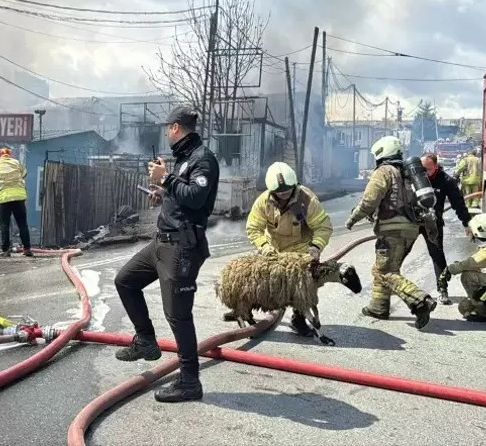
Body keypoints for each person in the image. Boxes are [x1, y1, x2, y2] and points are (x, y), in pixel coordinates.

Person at [113, 106, 219, 403]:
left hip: (182, 247)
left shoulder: (203, 159)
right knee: (125, 281)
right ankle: (146, 341)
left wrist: (167, 179)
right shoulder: (185, 159)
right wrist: (162, 192)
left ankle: (189, 382)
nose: (165, 133)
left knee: (178, 316)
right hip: (162, 243)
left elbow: (197, 198)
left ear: (174, 128)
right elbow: (182, 196)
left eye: (166, 128)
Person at [345, 136, 437, 329]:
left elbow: (369, 201)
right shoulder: (407, 173)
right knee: (382, 269)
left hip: (392, 230)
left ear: (380, 153)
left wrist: (353, 218)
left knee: (386, 272)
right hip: (411, 230)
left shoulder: (384, 172)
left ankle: (420, 301)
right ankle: (378, 307)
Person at [235, 161, 333, 335]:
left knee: (302, 289)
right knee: (263, 285)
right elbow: (253, 228)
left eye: (288, 192)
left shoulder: (307, 200)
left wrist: (316, 247)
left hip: (301, 251)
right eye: (280, 194)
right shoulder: (263, 201)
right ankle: (246, 312)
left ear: (294, 186)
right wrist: (264, 247)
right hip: (273, 250)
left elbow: (323, 227)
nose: (284, 196)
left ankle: (299, 319)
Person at [420, 152, 471, 305]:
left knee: (437, 255)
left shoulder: (446, 181)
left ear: (435, 166)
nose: (424, 173)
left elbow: (458, 203)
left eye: (427, 169)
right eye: (421, 169)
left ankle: (442, 289)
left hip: (433, 223)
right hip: (413, 221)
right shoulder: (415, 177)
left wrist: (466, 222)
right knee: (399, 252)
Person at [0, 148, 33, 257]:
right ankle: (27, 249)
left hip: (4, 198)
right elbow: (24, 174)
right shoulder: (16, 162)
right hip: (19, 197)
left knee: (4, 225)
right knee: (22, 224)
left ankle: (5, 250)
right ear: (9, 155)